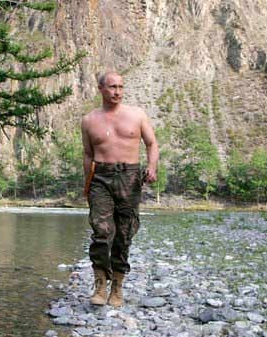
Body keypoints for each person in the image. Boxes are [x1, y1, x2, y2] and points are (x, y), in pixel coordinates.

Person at [80, 71, 159, 307]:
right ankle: (100, 285)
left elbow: (152, 143)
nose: (117, 92)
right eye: (112, 87)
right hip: (100, 178)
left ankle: (117, 287)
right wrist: (87, 186)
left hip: (130, 176)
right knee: (102, 231)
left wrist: (152, 166)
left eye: (121, 87)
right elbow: (87, 154)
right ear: (101, 89)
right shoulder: (89, 120)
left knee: (124, 233)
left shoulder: (137, 115)